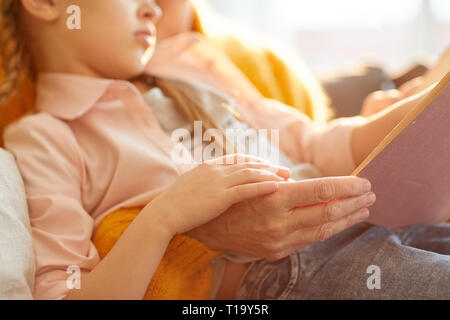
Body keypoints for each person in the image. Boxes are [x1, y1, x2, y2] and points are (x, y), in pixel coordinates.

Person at [0, 0, 448, 300]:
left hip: (371, 222)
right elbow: (65, 291)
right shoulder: (45, 136)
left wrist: (429, 103)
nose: (154, 8)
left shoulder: (192, 67)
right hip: (280, 273)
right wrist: (165, 215)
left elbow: (317, 143)